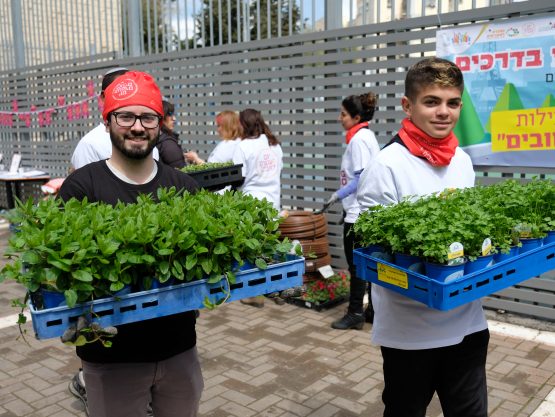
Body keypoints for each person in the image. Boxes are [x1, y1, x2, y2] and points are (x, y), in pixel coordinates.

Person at [59, 70, 203, 417]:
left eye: (147, 117)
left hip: (179, 349)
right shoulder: (81, 187)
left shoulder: (184, 186)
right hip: (111, 359)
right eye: (126, 115)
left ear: (159, 124)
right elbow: (59, 266)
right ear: (107, 120)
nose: (137, 127)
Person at [357, 57, 488, 417]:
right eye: (432, 101)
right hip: (410, 334)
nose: (444, 112)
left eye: (453, 102)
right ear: (408, 105)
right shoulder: (387, 166)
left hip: (469, 324)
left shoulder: (461, 159)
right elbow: (370, 254)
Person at [327, 92, 380, 330]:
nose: (340, 118)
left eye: (343, 114)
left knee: (356, 266)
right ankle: (372, 311)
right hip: (361, 211)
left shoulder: (359, 140)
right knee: (366, 264)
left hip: (359, 214)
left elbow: (359, 179)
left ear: (356, 116)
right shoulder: (365, 136)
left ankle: (355, 312)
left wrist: (337, 196)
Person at [233, 108, 283, 308]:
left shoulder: (243, 146)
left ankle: (255, 294)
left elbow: (238, 177)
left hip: (252, 204)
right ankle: (276, 288)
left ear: (244, 124)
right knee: (271, 247)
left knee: (252, 249)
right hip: (272, 203)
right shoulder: (274, 144)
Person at [70, 67, 159, 172]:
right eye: (121, 90)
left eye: (147, 118)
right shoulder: (90, 145)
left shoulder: (148, 142)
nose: (138, 128)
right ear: (104, 97)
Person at [156, 100, 187, 168]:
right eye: (169, 114)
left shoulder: (155, 139)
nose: (174, 119)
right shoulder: (168, 144)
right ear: (161, 117)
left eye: (173, 114)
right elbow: (182, 174)